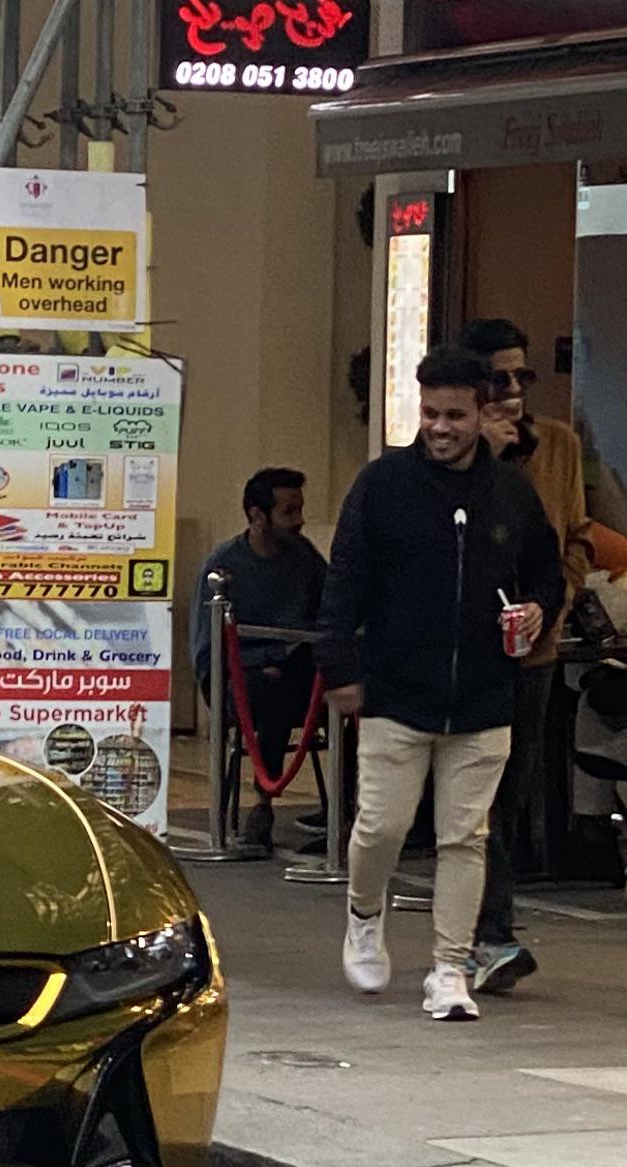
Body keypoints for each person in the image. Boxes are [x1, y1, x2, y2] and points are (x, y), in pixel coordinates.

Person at [321, 346, 564, 1023]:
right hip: (396, 691)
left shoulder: (511, 493)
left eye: (454, 414)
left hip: (485, 696)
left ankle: (449, 967)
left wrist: (538, 607)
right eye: (429, 413)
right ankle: (363, 912)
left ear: (481, 412)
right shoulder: (381, 485)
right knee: (382, 825)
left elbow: (544, 570)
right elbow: (344, 580)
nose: (440, 427)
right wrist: (340, 668)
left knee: (466, 837)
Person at [460, 317, 595, 994]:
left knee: (509, 791)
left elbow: (577, 535)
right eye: (497, 378)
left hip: (532, 649)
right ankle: (486, 932)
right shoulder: (449, 449)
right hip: (463, 650)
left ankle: (485, 928)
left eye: (521, 376)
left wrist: (558, 598)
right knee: (471, 792)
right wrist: (483, 455)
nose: (512, 391)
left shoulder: (562, 446)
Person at [189, 467, 328, 852]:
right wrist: (263, 660)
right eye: (289, 511)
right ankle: (262, 804)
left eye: (300, 509)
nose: (299, 521)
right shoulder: (223, 567)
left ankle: (347, 809)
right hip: (246, 681)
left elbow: (330, 609)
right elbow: (208, 650)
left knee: (351, 692)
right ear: (257, 516)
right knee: (272, 690)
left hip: (296, 674)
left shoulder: (305, 558)